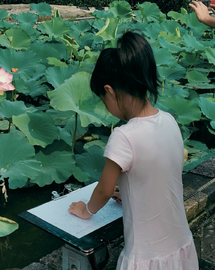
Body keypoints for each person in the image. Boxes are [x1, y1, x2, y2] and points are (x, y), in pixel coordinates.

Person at [68, 31, 199, 270]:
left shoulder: (124, 136)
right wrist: (128, 190)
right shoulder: (169, 120)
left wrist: (86, 210)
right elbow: (163, 171)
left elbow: (104, 191)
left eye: (103, 99)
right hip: (181, 246)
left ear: (109, 91)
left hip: (146, 255)